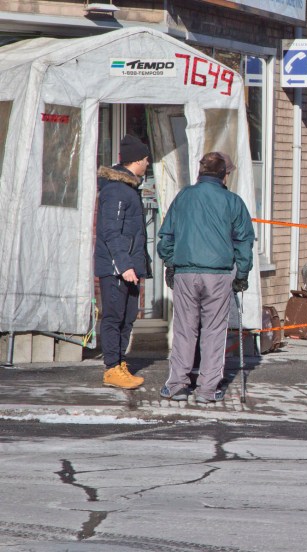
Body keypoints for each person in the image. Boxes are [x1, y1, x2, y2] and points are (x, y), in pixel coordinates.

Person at [157, 152, 254, 403]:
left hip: (186, 273)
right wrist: (242, 274)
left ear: (201, 173)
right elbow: (244, 241)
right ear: (223, 175)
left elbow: (166, 235)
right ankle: (207, 390)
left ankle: (177, 384)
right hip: (218, 275)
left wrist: (170, 263)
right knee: (213, 331)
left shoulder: (184, 197)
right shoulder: (232, 201)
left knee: (184, 329)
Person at [95, 134, 152, 390]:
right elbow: (110, 231)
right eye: (146, 159)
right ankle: (111, 368)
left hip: (128, 267)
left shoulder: (128, 188)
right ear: (137, 161)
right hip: (117, 268)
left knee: (127, 318)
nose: (148, 163)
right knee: (114, 317)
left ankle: (119, 364)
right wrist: (125, 264)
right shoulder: (116, 190)